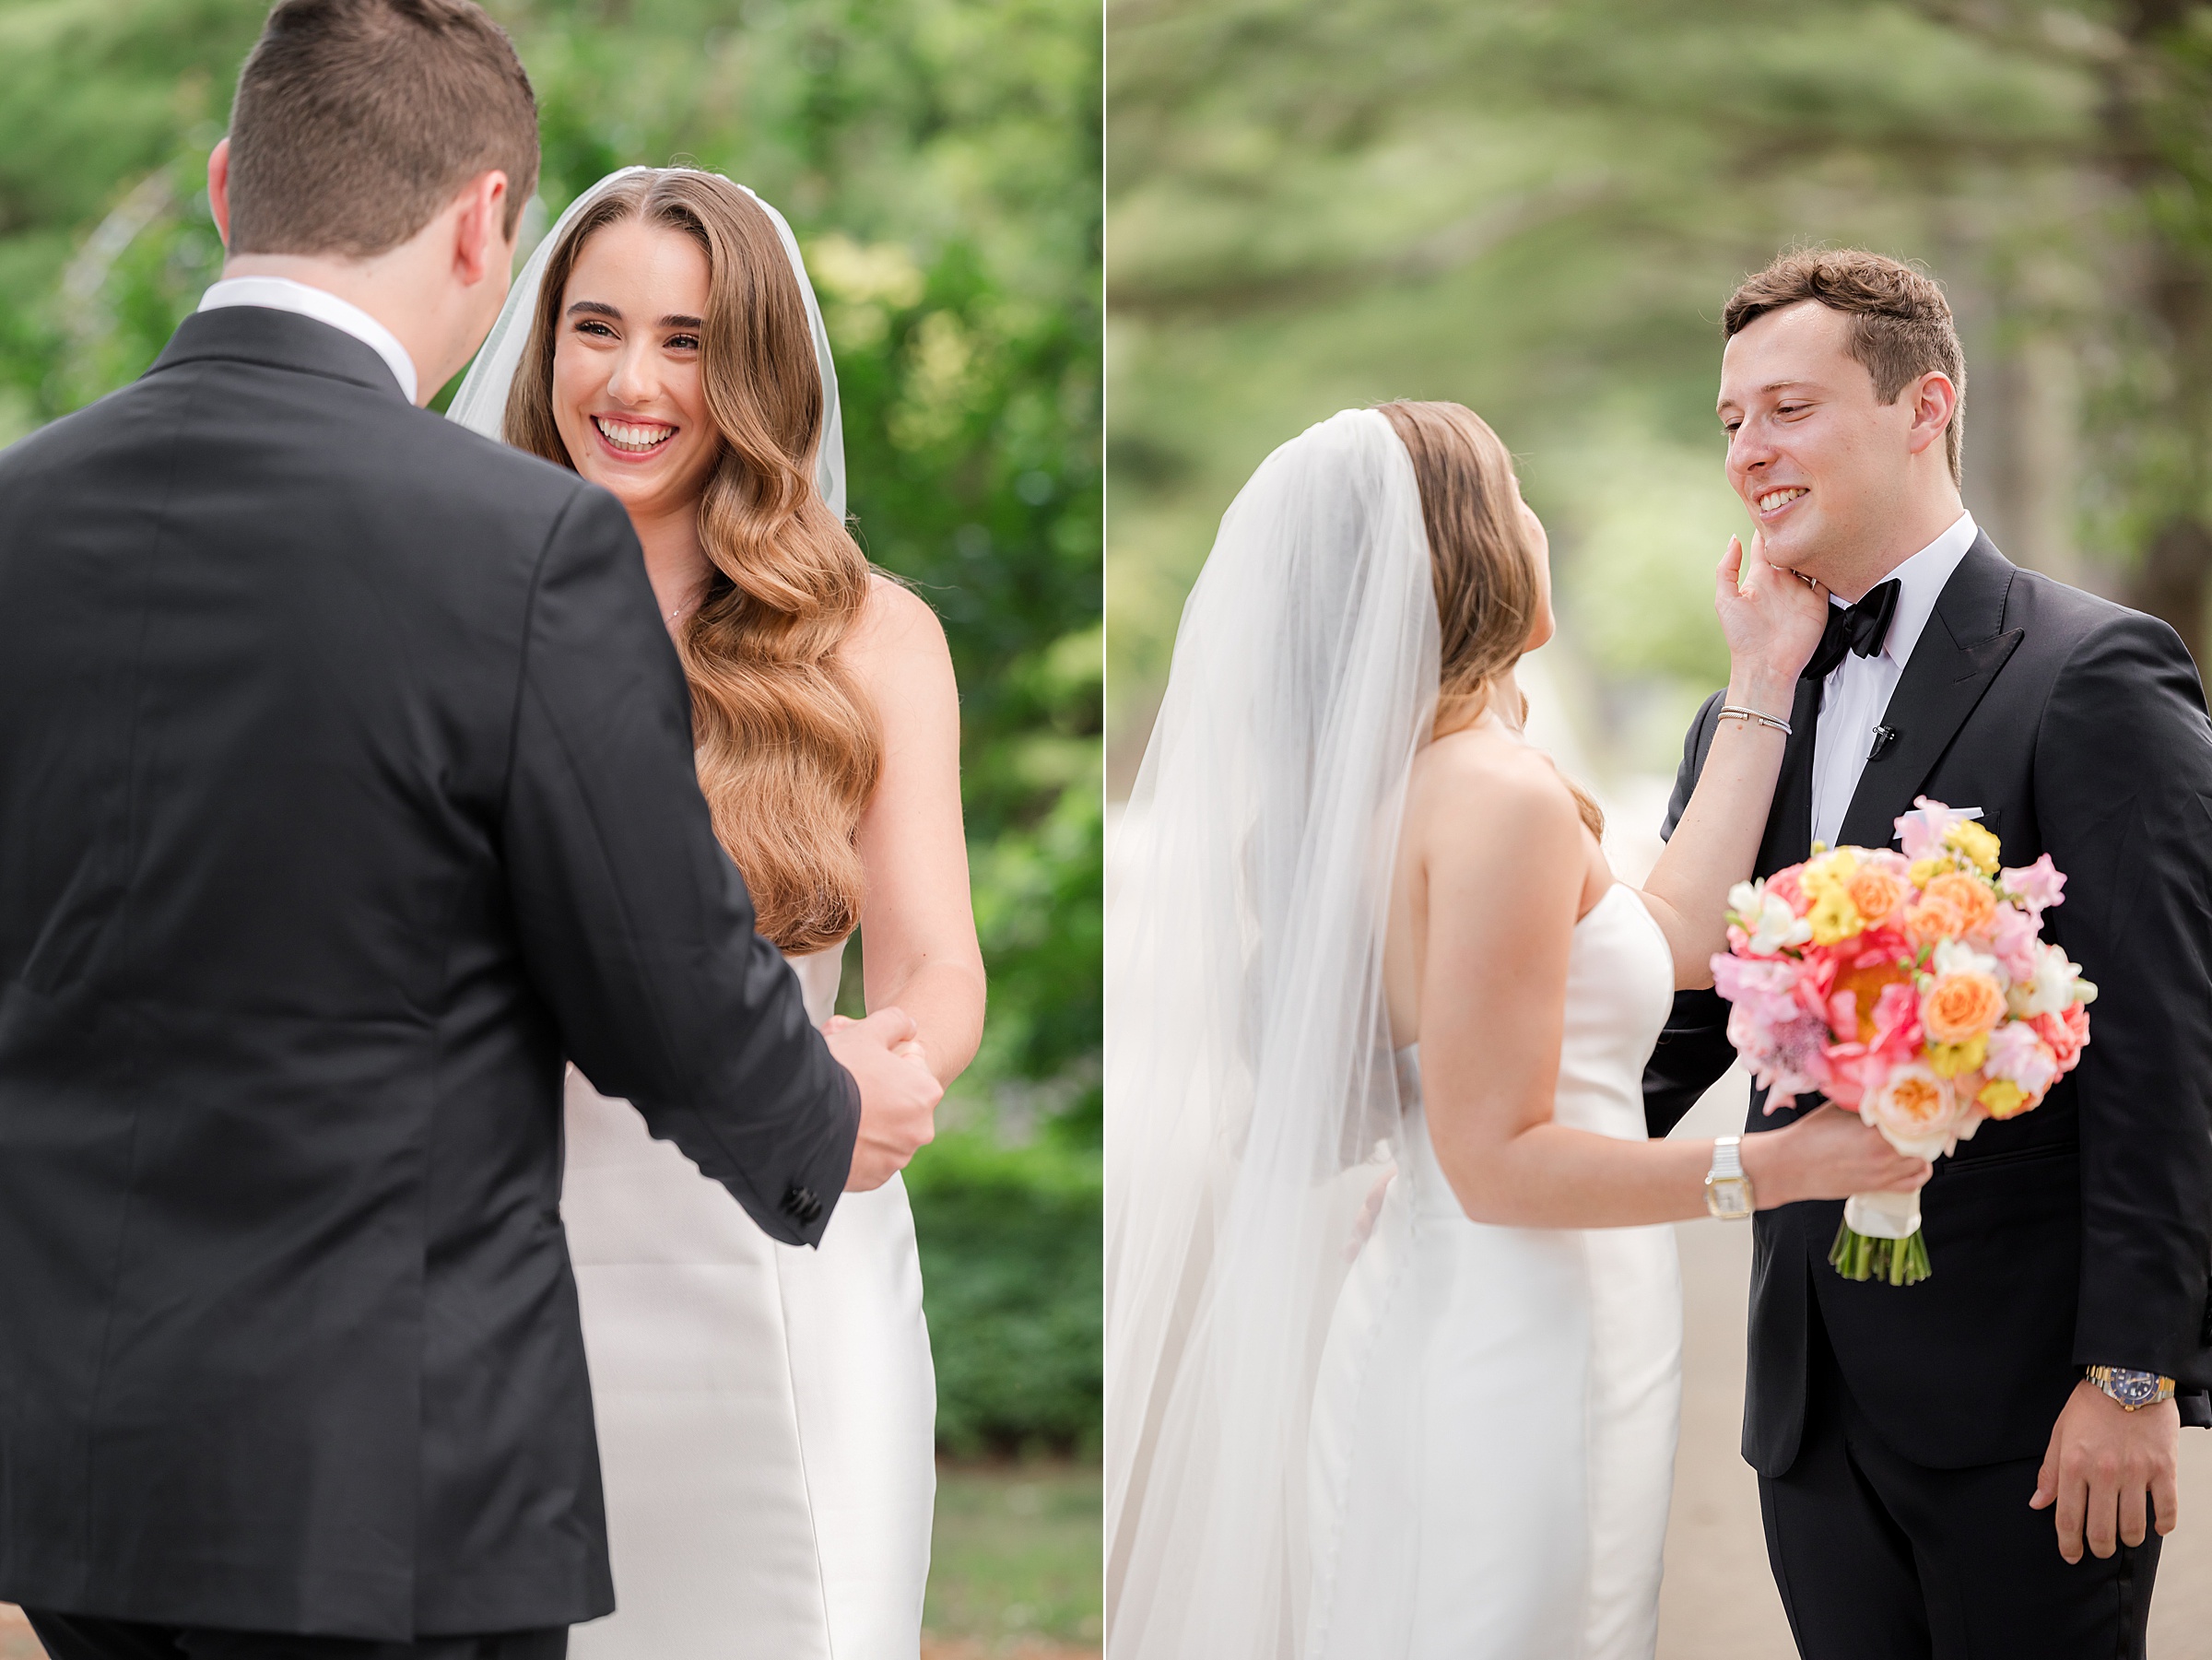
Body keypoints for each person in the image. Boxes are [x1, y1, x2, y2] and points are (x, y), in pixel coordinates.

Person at [0, 5, 940, 1658]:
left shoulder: (23, 519)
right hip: (394, 1469)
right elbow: (653, 969)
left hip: (78, 1457)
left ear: (229, 186)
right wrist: (817, 1105)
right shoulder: (514, 546)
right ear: (485, 223)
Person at [1103, 399, 1931, 1660]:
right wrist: (1780, 1167)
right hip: (1512, 1338)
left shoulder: (1413, 783)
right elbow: (1497, 1162)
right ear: (1474, 550)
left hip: (1492, 1304)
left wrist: (1762, 676)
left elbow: (1669, 937)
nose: (1537, 519)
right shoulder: (1490, 800)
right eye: (1517, 492)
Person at [1643, 247, 2212, 1659]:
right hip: (1809, 1407)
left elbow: (2169, 1047)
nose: (1749, 452)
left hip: (2032, 1404)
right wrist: (1464, 1150)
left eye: (1786, 408)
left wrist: (2132, 1372)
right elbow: (1678, 1022)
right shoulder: (1748, 706)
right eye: (1730, 422)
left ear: (1925, 406)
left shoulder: (2095, 671)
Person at [448, 166, 985, 1660]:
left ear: (751, 369)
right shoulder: (457, 612)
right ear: (542, 338)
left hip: (787, 1252)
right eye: (597, 328)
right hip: (515, 1274)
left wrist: (888, 1069)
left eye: (686, 342)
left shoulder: (872, 637)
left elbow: (938, 957)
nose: (632, 382)